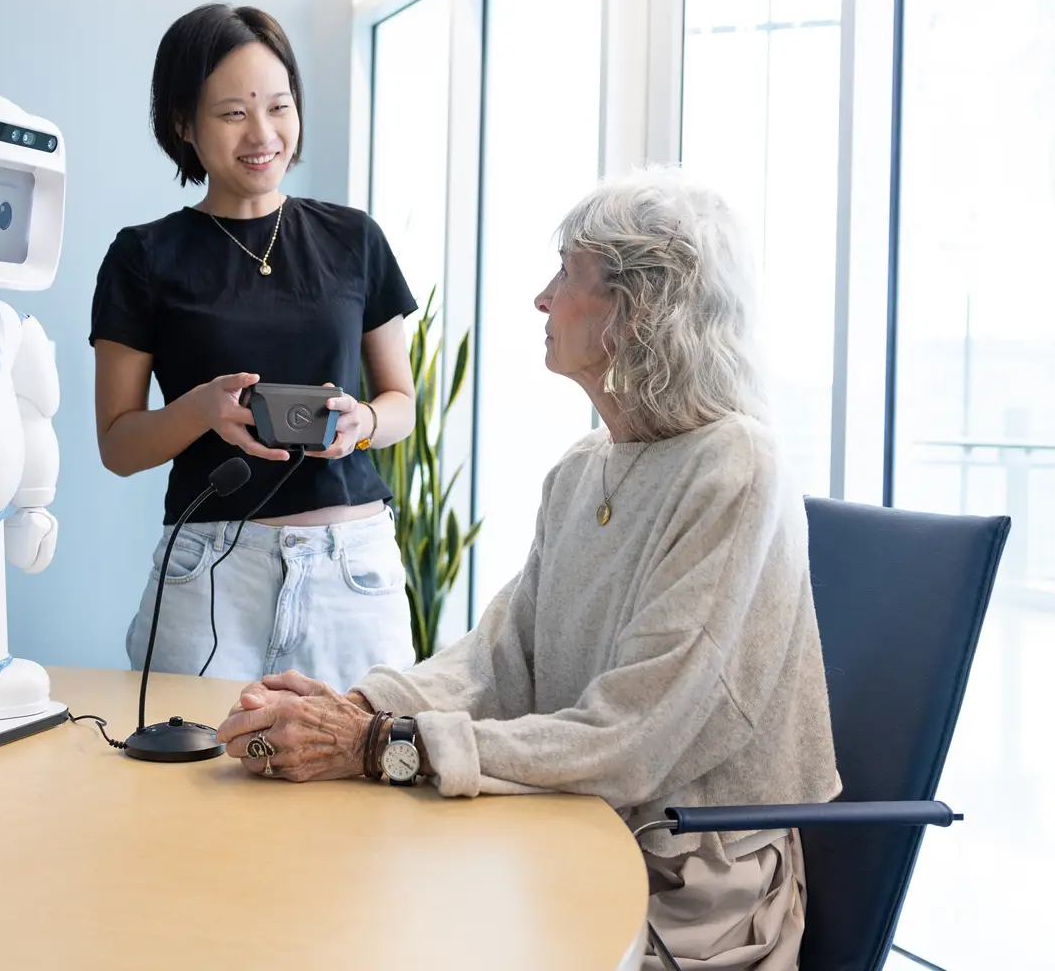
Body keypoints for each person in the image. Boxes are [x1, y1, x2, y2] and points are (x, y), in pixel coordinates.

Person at [215, 176, 841, 969]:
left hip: (689, 878)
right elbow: (499, 659)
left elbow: (632, 737)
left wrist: (382, 745)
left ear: (635, 310)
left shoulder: (736, 467)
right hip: (577, 825)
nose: (542, 299)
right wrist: (357, 706)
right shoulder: (585, 466)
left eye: (565, 275)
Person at [90, 4, 419, 692]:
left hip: (350, 573)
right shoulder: (142, 256)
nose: (263, 134)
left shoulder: (354, 239)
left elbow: (402, 404)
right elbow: (119, 446)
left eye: (279, 106)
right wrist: (202, 411)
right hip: (210, 572)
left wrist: (363, 422)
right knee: (183, 791)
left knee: (362, 787)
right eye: (233, 113)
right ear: (183, 122)